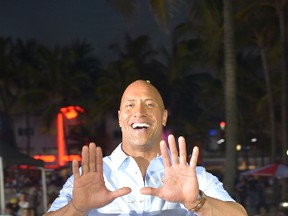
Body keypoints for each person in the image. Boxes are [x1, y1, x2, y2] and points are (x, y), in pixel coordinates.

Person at [44, 80, 247, 216]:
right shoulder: (90, 176)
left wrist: (197, 203)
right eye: (130, 105)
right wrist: (76, 208)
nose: (139, 112)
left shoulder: (191, 176)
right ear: (120, 118)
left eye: (149, 104)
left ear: (164, 116)